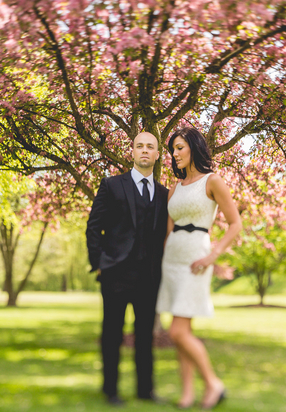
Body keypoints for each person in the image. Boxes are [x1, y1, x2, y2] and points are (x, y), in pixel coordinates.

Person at [156, 126, 242, 410]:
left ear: (194, 147)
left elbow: (235, 224)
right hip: (172, 261)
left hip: (196, 260)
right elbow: (168, 229)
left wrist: (213, 255)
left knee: (178, 332)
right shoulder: (174, 187)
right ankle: (187, 394)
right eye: (172, 150)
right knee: (182, 331)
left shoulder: (212, 181)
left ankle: (212, 382)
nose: (175, 154)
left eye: (179, 147)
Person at [86, 132, 170, 406]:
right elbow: (93, 226)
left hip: (149, 276)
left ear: (157, 155)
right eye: (140, 146)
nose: (145, 151)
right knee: (112, 332)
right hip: (115, 273)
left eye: (150, 147)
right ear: (132, 152)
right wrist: (98, 263)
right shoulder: (111, 185)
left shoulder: (164, 194)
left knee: (145, 335)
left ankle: (145, 390)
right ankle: (110, 390)